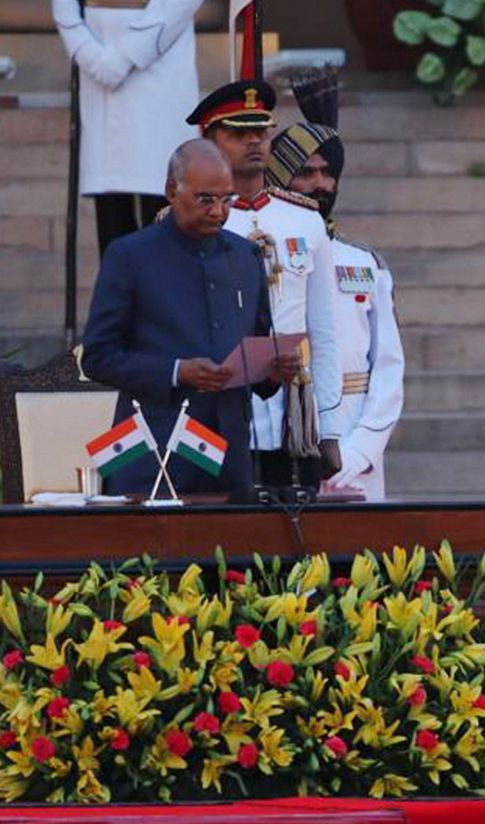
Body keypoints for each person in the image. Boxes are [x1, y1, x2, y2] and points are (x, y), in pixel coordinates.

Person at [81, 140, 294, 496]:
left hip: (229, 455)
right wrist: (178, 371)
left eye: (227, 199)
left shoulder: (246, 256)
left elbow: (254, 359)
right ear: (171, 192)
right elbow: (98, 358)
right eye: (205, 199)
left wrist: (271, 372)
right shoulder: (129, 256)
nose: (218, 211)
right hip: (151, 450)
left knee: (230, 552)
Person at [188, 79, 343, 490]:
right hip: (215, 412)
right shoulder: (187, 222)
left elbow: (324, 331)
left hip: (292, 415)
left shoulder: (304, 218)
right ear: (208, 140)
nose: (254, 141)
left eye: (261, 131)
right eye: (239, 133)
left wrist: (328, 426)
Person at [266, 70, 406, 501]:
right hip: (280, 434)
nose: (320, 184)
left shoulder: (364, 262)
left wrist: (359, 450)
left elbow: (388, 368)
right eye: (306, 172)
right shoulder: (255, 250)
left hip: (356, 439)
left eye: (329, 172)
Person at [52, 0, 201, 256]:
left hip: (162, 66)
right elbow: (65, 9)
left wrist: (124, 58)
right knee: (113, 231)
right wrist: (88, 52)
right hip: (97, 63)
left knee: (163, 219)